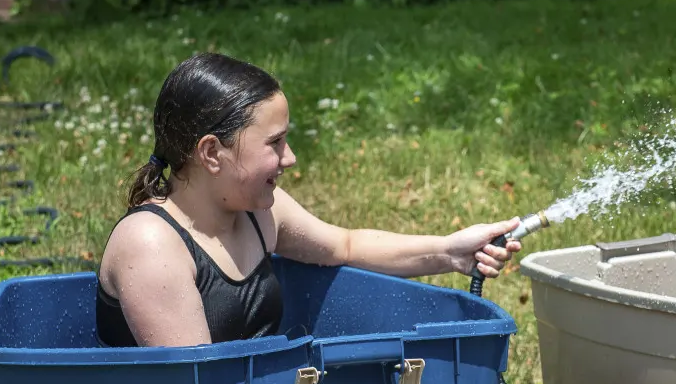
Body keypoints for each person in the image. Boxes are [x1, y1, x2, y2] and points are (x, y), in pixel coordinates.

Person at [96, 52, 522, 348]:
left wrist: (450, 251)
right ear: (211, 154)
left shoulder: (260, 214)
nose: (291, 158)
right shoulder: (151, 245)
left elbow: (347, 246)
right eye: (275, 142)